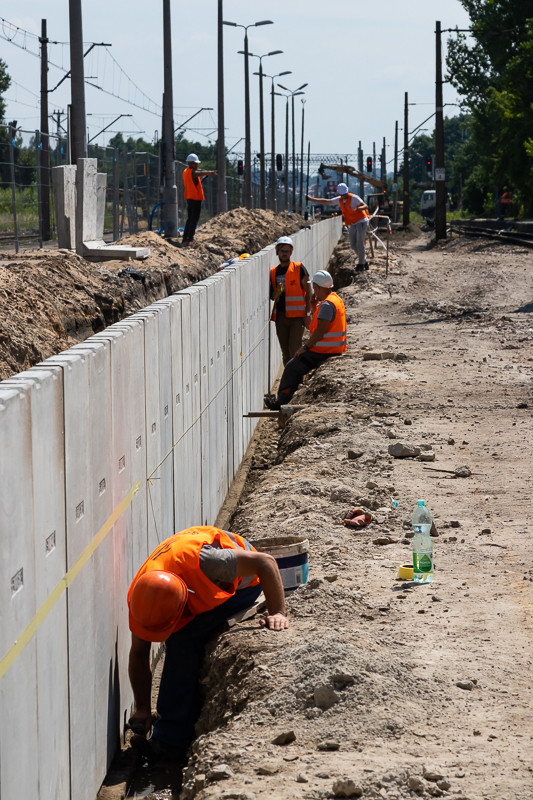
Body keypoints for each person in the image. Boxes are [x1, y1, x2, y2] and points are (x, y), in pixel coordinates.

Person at [127, 525, 288, 763]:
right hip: (198, 579)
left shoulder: (210, 563)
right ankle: (174, 729)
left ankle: (170, 741)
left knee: (183, 641)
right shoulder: (143, 597)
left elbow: (265, 562)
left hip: (247, 583)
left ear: (184, 600)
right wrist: (141, 707)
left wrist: (278, 612)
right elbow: (139, 653)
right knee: (182, 636)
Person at [264, 270, 346, 410]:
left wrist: (305, 347)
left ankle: (281, 402)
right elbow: (323, 324)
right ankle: (287, 398)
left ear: (319, 287)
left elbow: (320, 331)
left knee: (292, 367)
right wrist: (314, 307)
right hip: (333, 348)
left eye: (314, 288)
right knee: (294, 366)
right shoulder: (335, 299)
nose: (314, 291)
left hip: (324, 350)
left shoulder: (327, 305)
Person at [306, 183, 370, 271]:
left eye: (345, 194)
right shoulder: (339, 200)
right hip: (353, 223)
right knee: (353, 244)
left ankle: (361, 264)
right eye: (342, 195)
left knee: (360, 243)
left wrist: (358, 209)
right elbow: (326, 201)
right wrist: (311, 199)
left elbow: (365, 206)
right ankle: (364, 261)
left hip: (361, 221)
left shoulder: (354, 198)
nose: (344, 196)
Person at [270, 236, 313, 365]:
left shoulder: (299, 268)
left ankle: (298, 379)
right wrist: (278, 290)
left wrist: (307, 314)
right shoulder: (273, 272)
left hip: (297, 318)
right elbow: (272, 296)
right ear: (277, 251)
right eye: (282, 251)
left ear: (291, 252)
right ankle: (289, 381)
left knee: (294, 349)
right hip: (281, 317)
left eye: (287, 251)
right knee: (285, 352)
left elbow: (309, 291)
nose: (284, 254)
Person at [182, 154, 216, 245]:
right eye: (196, 163)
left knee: (190, 218)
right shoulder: (193, 172)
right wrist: (210, 172)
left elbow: (195, 181)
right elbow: (198, 173)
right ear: (191, 163)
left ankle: (185, 237)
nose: (197, 165)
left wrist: (202, 178)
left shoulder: (186, 172)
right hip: (195, 198)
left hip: (189, 197)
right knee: (194, 219)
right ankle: (190, 238)